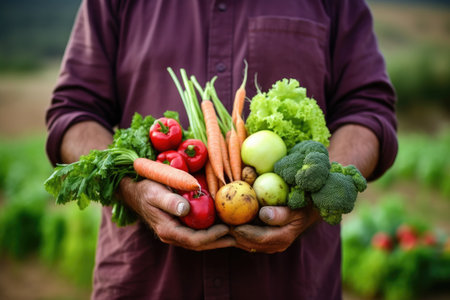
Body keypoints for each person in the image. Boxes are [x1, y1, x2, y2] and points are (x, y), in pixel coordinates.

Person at [45, 0, 397, 299]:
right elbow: (74, 111)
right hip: (148, 282)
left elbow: (367, 111)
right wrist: (129, 186)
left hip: (290, 283)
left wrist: (317, 187)